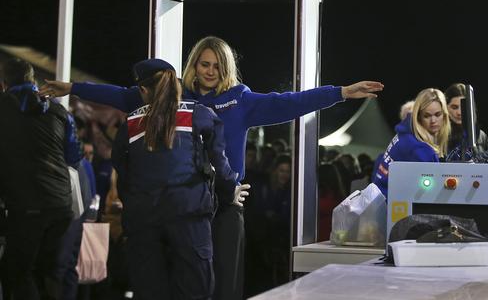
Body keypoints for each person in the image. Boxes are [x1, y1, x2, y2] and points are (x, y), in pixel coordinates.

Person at [40, 35, 383, 299]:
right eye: (204, 63)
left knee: (223, 286)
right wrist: (73, 88)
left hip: (223, 206)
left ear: (227, 69)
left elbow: (291, 102)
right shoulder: (172, 96)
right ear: (194, 64)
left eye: (217, 66)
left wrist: (340, 92)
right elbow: (123, 95)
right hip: (183, 207)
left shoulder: (243, 101)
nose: (210, 71)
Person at [110, 58, 238, 299]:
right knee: (195, 291)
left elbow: (122, 170)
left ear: (143, 90)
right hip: (189, 216)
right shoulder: (199, 114)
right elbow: (220, 165)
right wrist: (230, 189)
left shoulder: (130, 124)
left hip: (143, 221)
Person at [0, 58, 81, 300]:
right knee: (46, 273)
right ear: (32, 80)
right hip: (61, 206)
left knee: (17, 273)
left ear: (4, 82)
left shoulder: (3, 107)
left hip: (27, 205)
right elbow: (74, 157)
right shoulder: (59, 111)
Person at [372, 88, 450, 197]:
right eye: (427, 116)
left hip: (380, 201)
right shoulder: (420, 149)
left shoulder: (404, 134)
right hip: (390, 207)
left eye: (437, 114)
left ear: (444, 115)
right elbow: (433, 194)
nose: (433, 121)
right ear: (418, 116)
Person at [444, 83, 488, 161]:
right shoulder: (440, 135)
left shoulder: (481, 136)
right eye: (454, 107)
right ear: (445, 107)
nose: (459, 112)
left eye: (464, 107)